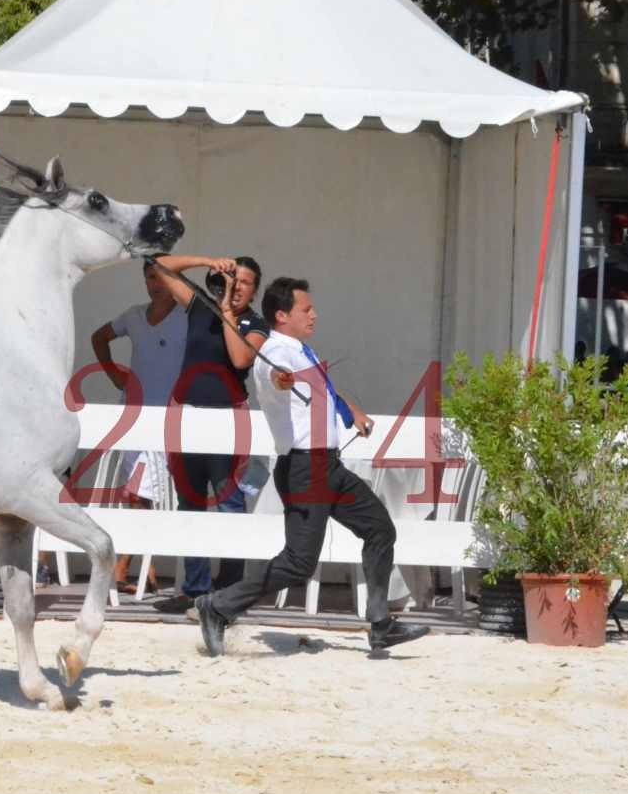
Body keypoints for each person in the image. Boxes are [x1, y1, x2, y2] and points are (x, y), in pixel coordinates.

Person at [192, 277, 428, 656]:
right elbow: (272, 380)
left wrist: (351, 412)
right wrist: (279, 380)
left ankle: (381, 623)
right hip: (305, 469)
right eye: (306, 309)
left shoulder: (305, 352)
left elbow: (323, 391)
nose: (314, 314)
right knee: (299, 563)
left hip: (328, 467)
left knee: (380, 528)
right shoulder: (277, 353)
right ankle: (217, 605)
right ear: (282, 315)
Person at [146, 254, 269, 613]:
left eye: (244, 282)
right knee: (190, 504)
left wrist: (227, 309)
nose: (236, 287)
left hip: (228, 422)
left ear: (254, 290)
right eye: (234, 278)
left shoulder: (254, 323)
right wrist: (206, 261)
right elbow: (159, 265)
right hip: (188, 418)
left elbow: (240, 360)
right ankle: (195, 590)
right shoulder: (200, 304)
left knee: (230, 504)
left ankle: (229, 594)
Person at [91, 260, 191, 593]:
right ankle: (141, 568)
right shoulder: (133, 316)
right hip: (133, 414)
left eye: (162, 277)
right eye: (150, 277)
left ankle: (125, 568)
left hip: (168, 418)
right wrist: (113, 374)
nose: (156, 283)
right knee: (134, 492)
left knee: (145, 491)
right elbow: (99, 338)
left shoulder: (187, 317)